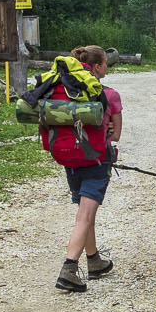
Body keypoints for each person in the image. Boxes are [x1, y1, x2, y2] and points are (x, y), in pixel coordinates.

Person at [54, 45, 122, 293]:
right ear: (96, 67)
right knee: (84, 215)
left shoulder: (63, 90)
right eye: (105, 63)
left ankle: (94, 261)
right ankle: (69, 269)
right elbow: (115, 135)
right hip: (96, 161)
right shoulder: (110, 95)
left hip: (69, 159)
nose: (106, 67)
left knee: (85, 211)